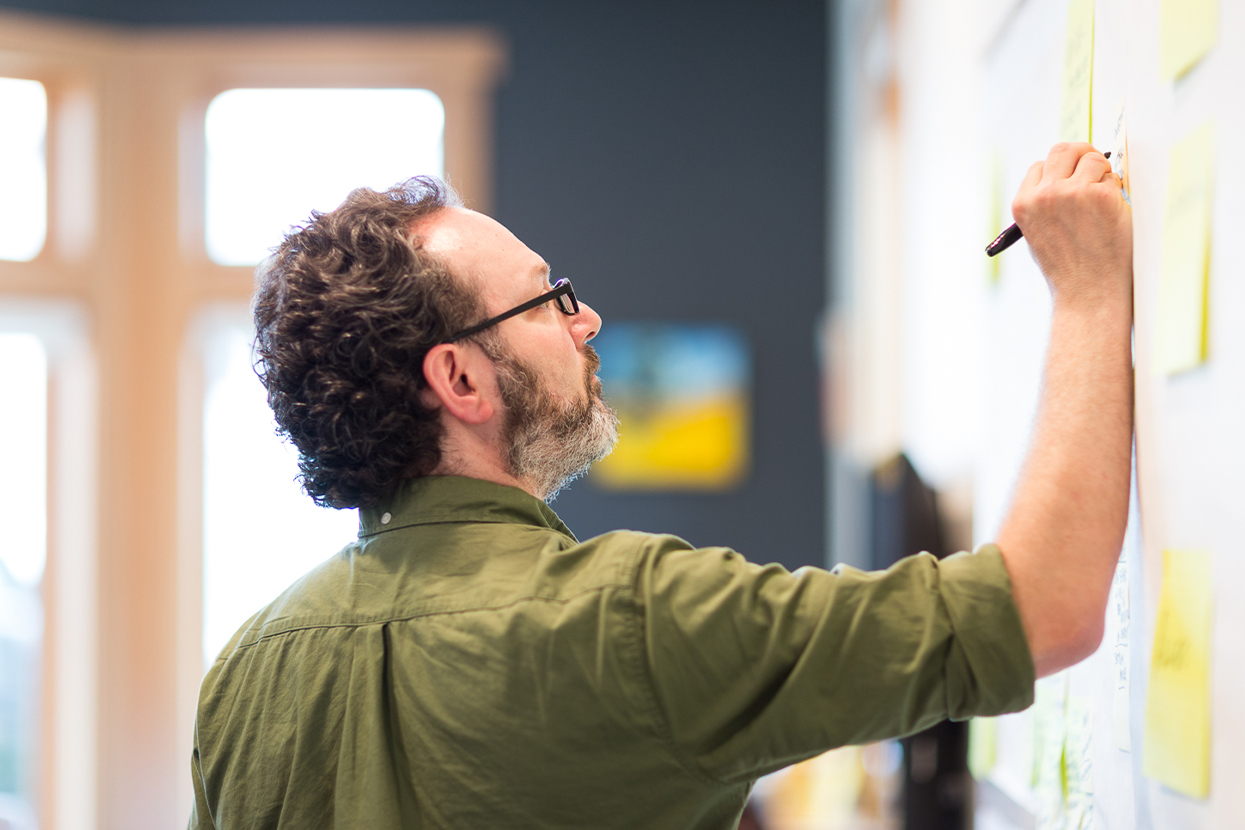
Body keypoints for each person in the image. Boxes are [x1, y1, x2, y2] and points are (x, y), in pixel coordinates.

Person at [188, 141, 1132, 829]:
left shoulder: (243, 675)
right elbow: (1042, 608)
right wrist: (1088, 295)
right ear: (460, 381)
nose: (585, 319)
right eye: (546, 298)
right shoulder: (628, 620)